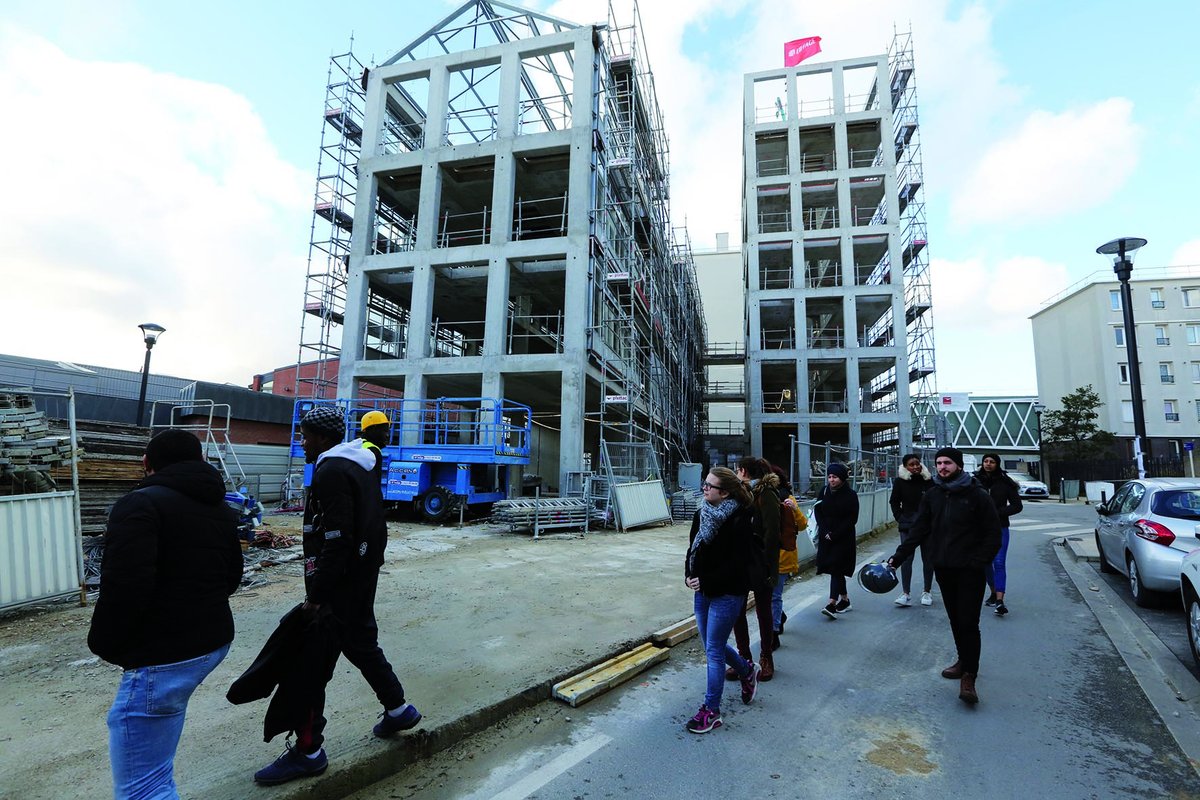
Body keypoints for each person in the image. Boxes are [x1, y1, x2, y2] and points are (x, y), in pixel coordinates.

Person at [254, 405, 420, 786]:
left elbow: (337, 537)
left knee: (310, 666)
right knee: (360, 643)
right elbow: (371, 526)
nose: (303, 443)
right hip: (360, 576)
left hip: (337, 584)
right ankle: (398, 709)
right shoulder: (359, 465)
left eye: (306, 436)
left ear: (324, 438)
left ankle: (308, 751)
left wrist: (318, 594)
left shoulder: (330, 471)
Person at [88, 429, 243, 800]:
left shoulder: (139, 504)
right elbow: (232, 577)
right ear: (201, 460)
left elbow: (125, 586)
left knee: (144, 788)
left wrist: (105, 645)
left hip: (163, 656)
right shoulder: (220, 507)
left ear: (146, 463)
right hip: (212, 642)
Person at [887, 447, 1001, 705]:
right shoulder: (933, 495)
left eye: (947, 462)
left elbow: (993, 534)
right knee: (955, 619)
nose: (942, 467)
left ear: (958, 465)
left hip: (970, 570)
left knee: (969, 622)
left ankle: (969, 676)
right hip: (944, 568)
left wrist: (978, 562)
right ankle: (963, 660)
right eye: (938, 463)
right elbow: (918, 530)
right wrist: (897, 557)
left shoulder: (977, 495)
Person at [683, 466, 760, 734]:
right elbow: (693, 550)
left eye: (709, 486)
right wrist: (689, 576)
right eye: (704, 483)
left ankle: (712, 710)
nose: (704, 488)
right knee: (711, 644)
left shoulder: (741, 519)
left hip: (728, 592)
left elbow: (738, 565)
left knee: (714, 650)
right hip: (702, 591)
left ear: (725, 493)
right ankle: (747, 671)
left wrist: (705, 580)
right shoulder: (701, 513)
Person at [730, 457, 780, 680]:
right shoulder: (739, 493)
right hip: (740, 562)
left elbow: (772, 533)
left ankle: (766, 657)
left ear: (744, 471)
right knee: (737, 611)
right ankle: (744, 658)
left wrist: (768, 566)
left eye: (737, 470)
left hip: (761, 562)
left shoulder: (766, 493)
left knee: (763, 611)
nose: (736, 473)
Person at [976, 452, 1022, 617]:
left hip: (1000, 527)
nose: (988, 464)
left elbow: (1017, 506)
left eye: (992, 462)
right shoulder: (975, 481)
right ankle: (993, 591)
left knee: (999, 562)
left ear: (997, 464)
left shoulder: (1005, 482)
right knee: (985, 562)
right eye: (985, 461)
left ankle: (1000, 600)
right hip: (979, 528)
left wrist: (998, 512)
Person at [889, 453, 934, 607]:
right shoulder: (900, 482)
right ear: (905, 466)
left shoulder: (928, 480)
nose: (915, 467)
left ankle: (927, 591)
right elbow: (894, 501)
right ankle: (905, 593)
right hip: (907, 525)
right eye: (911, 464)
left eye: (917, 463)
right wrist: (900, 518)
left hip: (927, 525)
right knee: (906, 559)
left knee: (928, 559)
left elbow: (935, 500)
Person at [815, 462, 859, 619]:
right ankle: (845, 600)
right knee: (835, 568)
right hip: (826, 537)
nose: (831, 480)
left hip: (843, 538)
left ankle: (831, 603)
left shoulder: (850, 495)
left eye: (835, 477)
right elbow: (818, 511)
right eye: (829, 477)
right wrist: (825, 531)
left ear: (842, 478)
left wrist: (835, 534)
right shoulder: (824, 491)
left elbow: (852, 518)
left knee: (836, 568)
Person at [359, 409, 390, 484]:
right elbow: (373, 484)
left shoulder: (357, 444)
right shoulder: (373, 450)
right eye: (385, 431)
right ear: (374, 429)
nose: (387, 435)